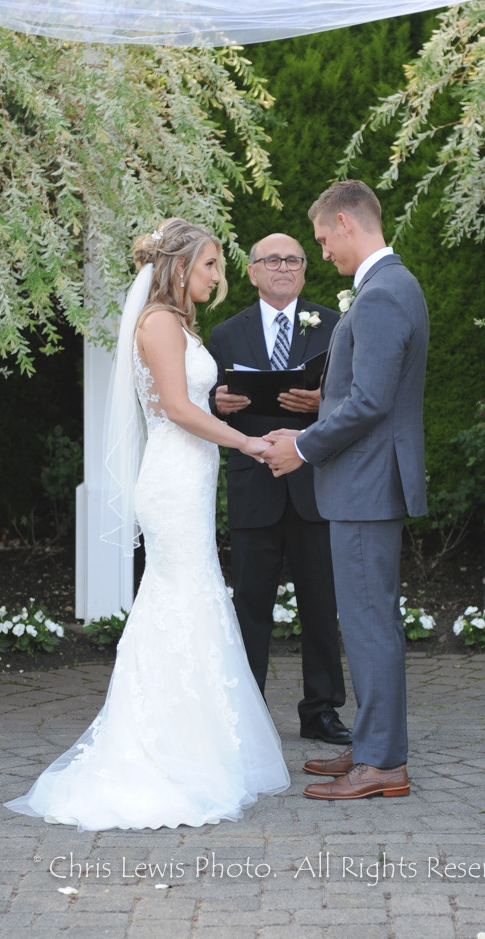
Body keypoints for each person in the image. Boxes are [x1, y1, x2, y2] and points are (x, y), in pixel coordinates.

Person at [5, 217, 289, 830]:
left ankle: (193, 741)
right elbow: (178, 409)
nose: (218, 277)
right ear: (180, 267)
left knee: (192, 596)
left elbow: (185, 399)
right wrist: (246, 441)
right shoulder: (158, 322)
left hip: (190, 477)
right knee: (178, 598)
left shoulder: (178, 323)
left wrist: (222, 409)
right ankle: (163, 748)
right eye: (210, 265)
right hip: (172, 481)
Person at [263, 182, 428, 800]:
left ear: (344, 222)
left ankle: (381, 763)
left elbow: (370, 402)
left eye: (323, 239)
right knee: (369, 621)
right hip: (366, 482)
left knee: (368, 625)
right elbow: (360, 399)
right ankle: (371, 745)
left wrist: (302, 448)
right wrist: (305, 427)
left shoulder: (382, 293)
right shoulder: (391, 286)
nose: (323, 251)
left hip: (366, 486)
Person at [208, 233, 350, 746]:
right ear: (251, 272)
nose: (283, 267)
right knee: (250, 605)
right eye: (272, 260)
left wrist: (320, 403)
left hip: (315, 482)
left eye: (293, 259)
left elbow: (356, 399)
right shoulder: (226, 333)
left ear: (305, 270)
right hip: (254, 484)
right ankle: (249, 714)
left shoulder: (334, 326)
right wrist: (217, 403)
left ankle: (321, 711)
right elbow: (202, 399)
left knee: (321, 605)